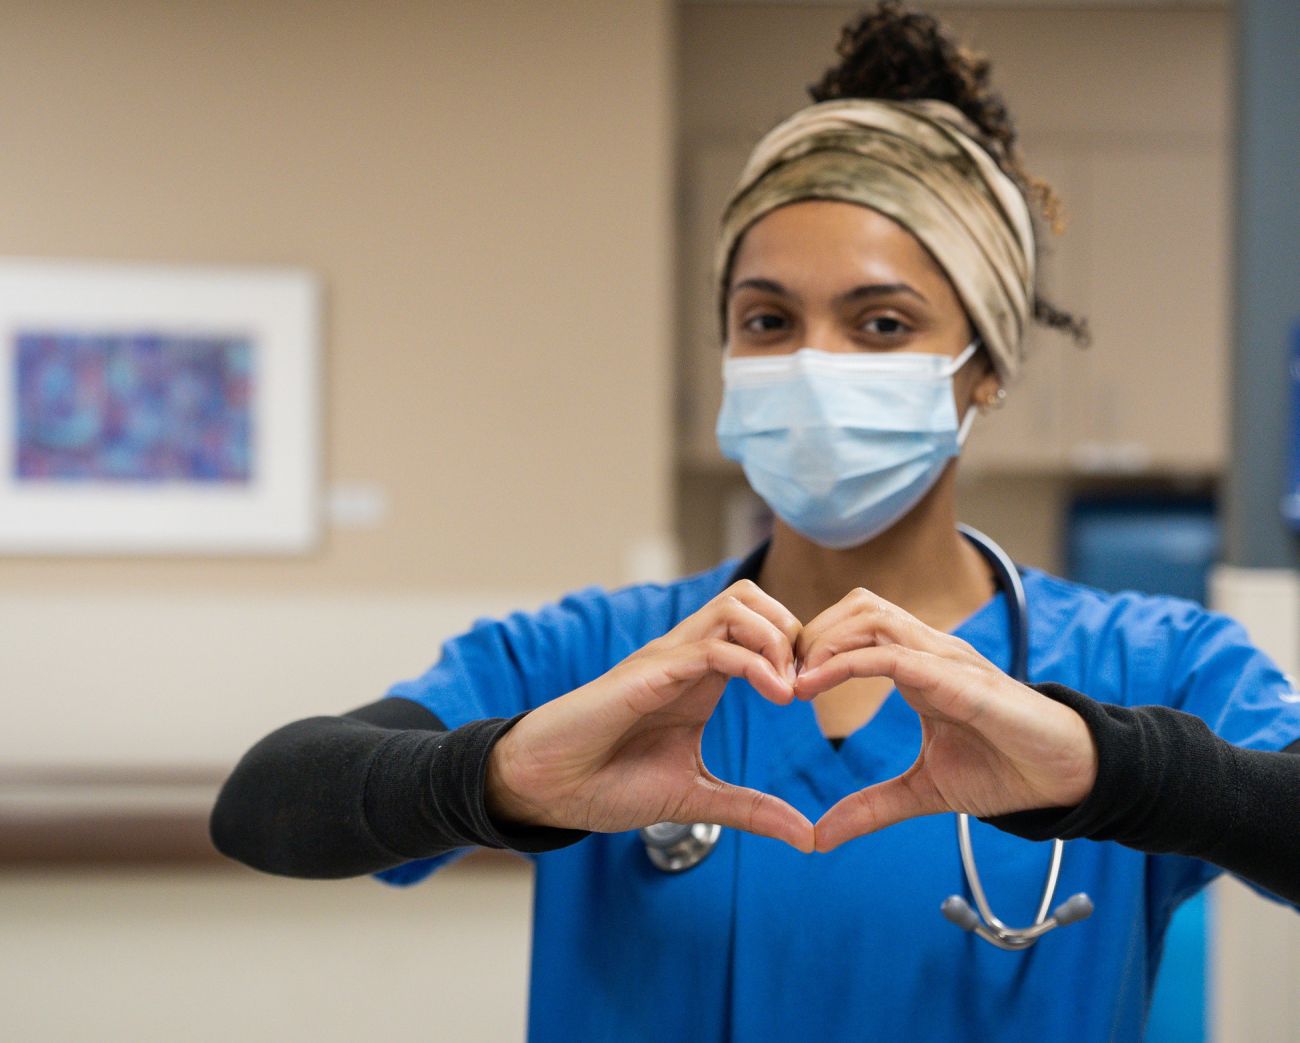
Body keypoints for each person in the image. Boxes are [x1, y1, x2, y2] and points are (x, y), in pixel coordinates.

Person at [210, 3, 1300, 1039]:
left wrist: (1116, 770)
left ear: (986, 369)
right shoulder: (597, 658)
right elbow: (264, 804)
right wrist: (491, 778)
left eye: (881, 322)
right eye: (768, 319)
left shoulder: (1147, 664)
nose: (814, 362)